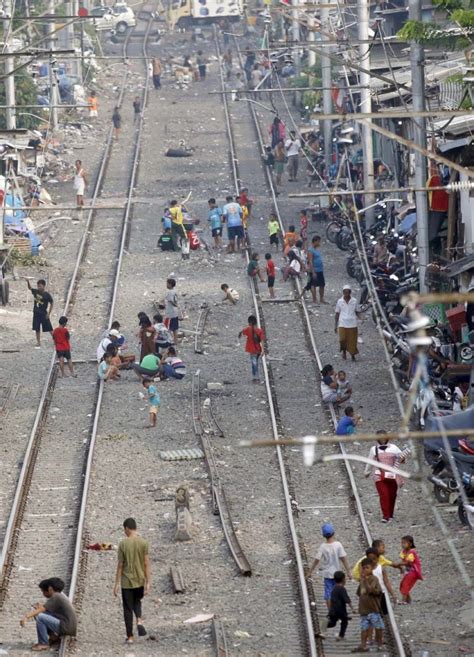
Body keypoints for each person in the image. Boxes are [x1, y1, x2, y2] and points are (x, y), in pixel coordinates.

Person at [114, 518, 151, 644]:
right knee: (137, 601)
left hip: (126, 581)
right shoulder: (144, 543)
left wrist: (117, 583)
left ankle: (130, 637)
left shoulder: (123, 544)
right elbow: (146, 563)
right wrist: (148, 582)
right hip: (140, 579)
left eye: (124, 530)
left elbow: (120, 565)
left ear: (127, 528)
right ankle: (139, 619)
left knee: (127, 608)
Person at [20, 577, 77, 652]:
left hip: (66, 627)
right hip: (67, 625)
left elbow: (42, 609)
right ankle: (53, 637)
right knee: (39, 613)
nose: (43, 594)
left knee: (40, 617)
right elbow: (47, 609)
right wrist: (39, 608)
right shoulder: (60, 595)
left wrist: (26, 617)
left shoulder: (56, 596)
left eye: (43, 591)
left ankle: (43, 643)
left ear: (50, 589)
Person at [364, 430, 405, 523]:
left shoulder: (394, 448)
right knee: (384, 495)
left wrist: (402, 458)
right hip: (379, 475)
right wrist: (367, 472)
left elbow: (401, 459)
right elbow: (370, 462)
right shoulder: (373, 449)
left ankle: (390, 514)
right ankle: (385, 516)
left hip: (392, 475)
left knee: (392, 495)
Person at [307, 523, 351, 609]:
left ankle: (331, 611)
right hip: (337, 574)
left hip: (327, 574)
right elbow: (343, 558)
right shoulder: (338, 545)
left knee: (328, 593)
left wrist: (310, 571)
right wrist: (349, 571)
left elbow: (317, 559)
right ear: (333, 533)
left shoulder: (323, 547)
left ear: (323, 535)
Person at [354, 558, 384, 652]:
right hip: (364, 610)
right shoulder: (362, 581)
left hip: (373, 609)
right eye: (363, 568)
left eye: (367, 568)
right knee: (364, 628)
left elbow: (373, 590)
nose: (365, 570)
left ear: (372, 568)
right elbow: (359, 592)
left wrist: (365, 581)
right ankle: (363, 645)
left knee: (378, 627)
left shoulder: (374, 579)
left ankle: (379, 644)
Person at [319, 571, 354, 641]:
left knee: (332, 623)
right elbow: (347, 599)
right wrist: (352, 608)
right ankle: (341, 635)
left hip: (333, 609)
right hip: (341, 610)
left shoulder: (334, 588)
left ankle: (322, 630)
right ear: (343, 579)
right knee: (344, 622)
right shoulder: (342, 589)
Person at [335, 285, 362, 361]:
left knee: (352, 340)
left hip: (352, 323)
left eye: (348, 292)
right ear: (343, 293)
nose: (346, 294)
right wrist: (335, 325)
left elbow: (357, 311)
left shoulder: (354, 301)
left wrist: (361, 317)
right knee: (342, 339)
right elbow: (337, 313)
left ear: (350, 293)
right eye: (345, 292)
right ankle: (344, 351)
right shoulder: (340, 301)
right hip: (342, 323)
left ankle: (352, 355)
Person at [27, 278, 53, 348]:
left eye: (40, 286)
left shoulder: (47, 295)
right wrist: (28, 281)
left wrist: (49, 313)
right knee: (37, 328)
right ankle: (38, 342)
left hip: (44, 313)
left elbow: (52, 303)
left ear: (44, 286)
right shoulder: (36, 292)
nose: (39, 287)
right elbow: (30, 288)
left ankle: (56, 340)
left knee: (49, 328)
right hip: (36, 313)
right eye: (38, 286)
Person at [397, 535, 423, 603]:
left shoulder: (412, 552)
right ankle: (409, 600)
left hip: (414, 571)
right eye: (402, 543)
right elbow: (403, 561)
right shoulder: (404, 552)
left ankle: (404, 600)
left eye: (404, 543)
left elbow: (408, 562)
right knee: (403, 584)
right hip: (409, 571)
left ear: (410, 544)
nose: (402, 545)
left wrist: (398, 564)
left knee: (405, 584)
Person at [239, 314, 264, 381]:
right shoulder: (259, 331)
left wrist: (240, 334)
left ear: (249, 322)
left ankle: (255, 376)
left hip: (251, 349)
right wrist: (263, 350)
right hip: (258, 349)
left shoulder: (248, 329)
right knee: (255, 361)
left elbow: (242, 332)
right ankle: (255, 376)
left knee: (254, 362)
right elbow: (262, 341)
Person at [305, 235, 326, 304]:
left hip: (320, 270)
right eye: (318, 241)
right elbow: (310, 261)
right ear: (315, 241)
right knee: (313, 285)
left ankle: (321, 299)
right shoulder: (310, 250)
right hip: (315, 270)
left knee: (322, 285)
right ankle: (314, 299)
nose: (319, 243)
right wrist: (313, 272)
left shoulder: (316, 250)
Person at [164, 277, 179, 344]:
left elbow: (171, 301)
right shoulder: (174, 291)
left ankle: (169, 341)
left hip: (170, 313)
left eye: (167, 283)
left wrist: (175, 305)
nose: (166, 285)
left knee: (168, 328)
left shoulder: (169, 292)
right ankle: (176, 341)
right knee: (175, 328)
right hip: (175, 312)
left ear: (170, 284)